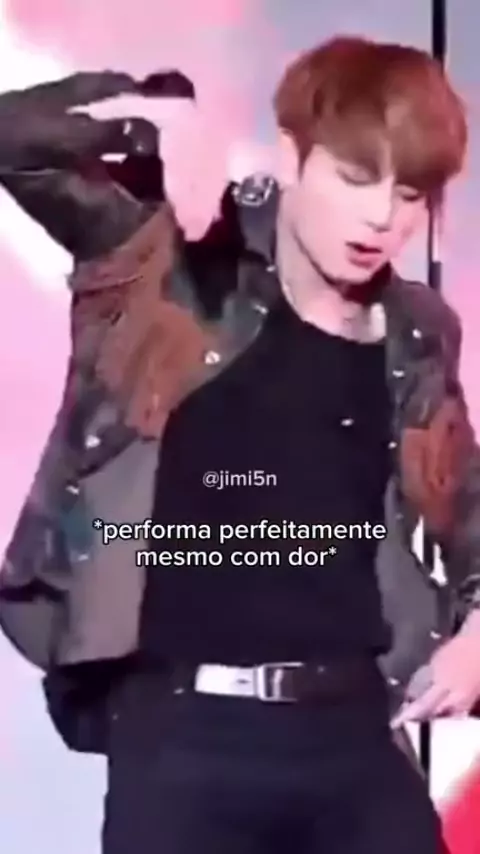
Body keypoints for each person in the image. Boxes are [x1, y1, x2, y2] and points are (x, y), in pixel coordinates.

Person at [1, 34, 480, 854]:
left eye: (408, 195)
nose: (381, 218)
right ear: (292, 156)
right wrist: (149, 115)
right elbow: (15, 139)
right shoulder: (168, 259)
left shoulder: (415, 330)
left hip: (353, 734)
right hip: (184, 736)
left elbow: (465, 511)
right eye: (356, 178)